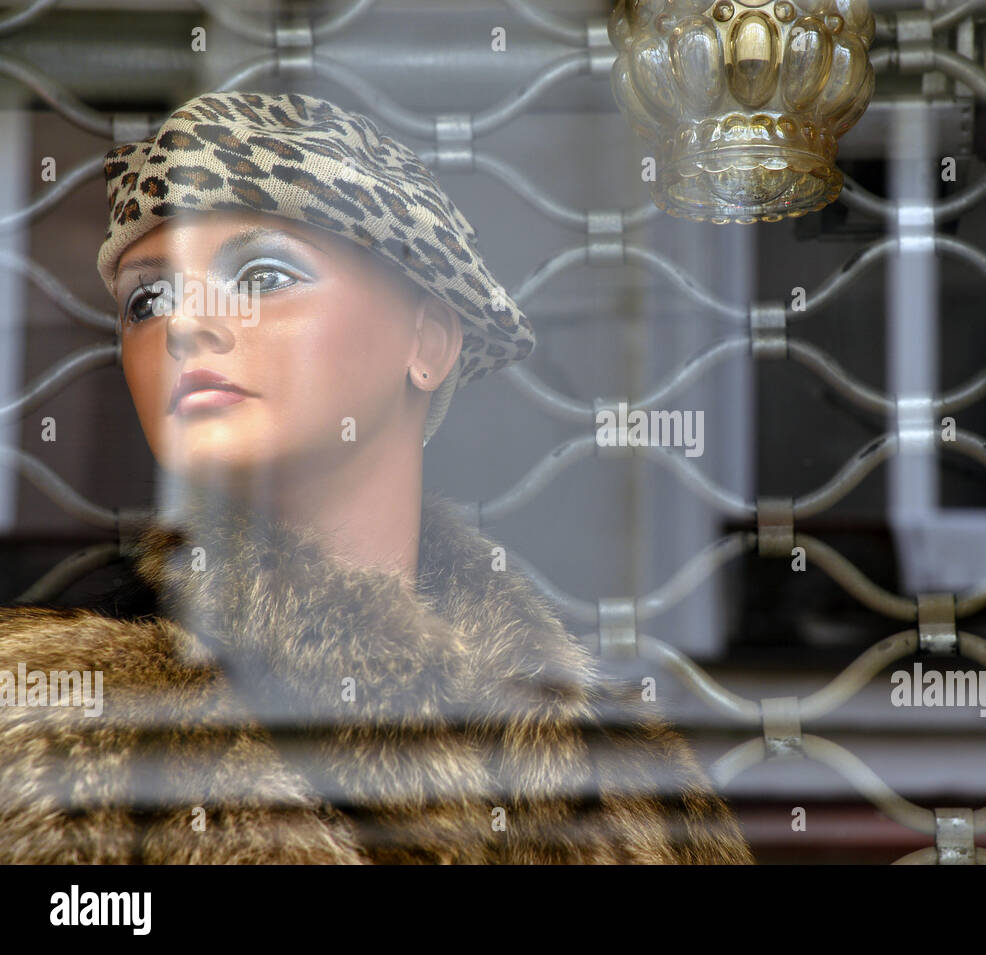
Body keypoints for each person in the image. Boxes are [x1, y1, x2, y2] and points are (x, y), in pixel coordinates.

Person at [0, 90, 753, 864]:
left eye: (262, 275)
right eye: (148, 297)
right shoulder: (51, 716)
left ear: (426, 340)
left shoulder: (632, 792)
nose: (185, 323)